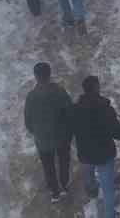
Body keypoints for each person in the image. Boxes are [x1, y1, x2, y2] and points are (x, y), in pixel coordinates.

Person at [72, 75, 120, 218]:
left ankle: (92, 192)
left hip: (85, 153)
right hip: (104, 155)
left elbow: (70, 128)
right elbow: (118, 132)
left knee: (88, 175)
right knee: (108, 189)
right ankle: (109, 215)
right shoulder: (105, 109)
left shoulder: (75, 109)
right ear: (96, 88)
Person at [24, 61, 73, 203]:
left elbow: (27, 121)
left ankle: (54, 193)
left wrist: (37, 132)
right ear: (49, 74)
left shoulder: (31, 97)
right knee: (64, 162)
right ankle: (64, 185)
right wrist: (68, 131)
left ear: (35, 76)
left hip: (42, 140)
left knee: (48, 167)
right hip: (62, 138)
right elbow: (70, 113)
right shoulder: (59, 92)